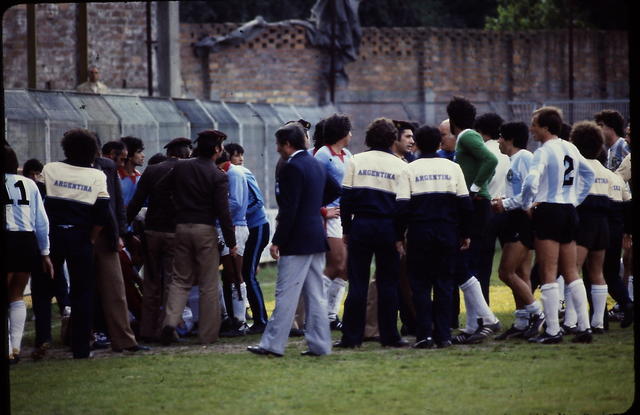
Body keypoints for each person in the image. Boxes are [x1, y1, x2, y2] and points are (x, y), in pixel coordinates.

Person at [248, 122, 340, 357]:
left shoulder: (291, 167)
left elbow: (289, 210)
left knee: (286, 293)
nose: (277, 148)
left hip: (297, 239)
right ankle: (320, 344)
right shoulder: (315, 164)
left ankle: (272, 344)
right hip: (316, 235)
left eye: (279, 144)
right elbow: (335, 189)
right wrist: (314, 204)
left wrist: (277, 240)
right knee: (316, 295)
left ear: (287, 144)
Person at [521, 107, 595, 344]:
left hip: (549, 210)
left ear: (545, 127)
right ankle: (584, 327)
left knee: (548, 271)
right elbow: (589, 175)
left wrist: (527, 204)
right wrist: (575, 199)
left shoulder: (543, 151)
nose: (531, 128)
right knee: (572, 271)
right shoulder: (570, 147)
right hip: (569, 211)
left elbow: (531, 181)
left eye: (534, 124)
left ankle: (553, 330)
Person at [335, 117, 410, 349]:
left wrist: (347, 229)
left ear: (368, 137)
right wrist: (399, 236)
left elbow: (346, 200)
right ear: (392, 139)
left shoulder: (356, 161)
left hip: (361, 225)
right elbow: (403, 206)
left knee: (357, 283)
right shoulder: (401, 166)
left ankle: (351, 337)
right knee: (388, 283)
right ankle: (390, 336)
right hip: (388, 228)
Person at [160, 130, 236, 345]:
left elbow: (162, 189)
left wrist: (176, 209)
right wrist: (231, 242)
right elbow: (223, 213)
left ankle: (170, 323)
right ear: (216, 149)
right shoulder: (218, 175)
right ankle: (208, 334)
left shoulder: (181, 167)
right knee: (208, 283)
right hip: (205, 230)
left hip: (181, 227)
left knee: (180, 279)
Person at [42, 129, 111, 358]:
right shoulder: (97, 175)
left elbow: (41, 204)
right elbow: (102, 214)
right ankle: (81, 348)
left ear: (65, 148)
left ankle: (43, 340)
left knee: (44, 287)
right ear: (93, 151)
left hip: (52, 235)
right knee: (83, 292)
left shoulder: (50, 169)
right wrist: (91, 238)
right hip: (80, 236)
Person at [402, 125, 472, 349]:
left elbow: (402, 208)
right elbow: (465, 205)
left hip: (419, 233)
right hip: (447, 232)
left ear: (417, 144)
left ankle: (424, 335)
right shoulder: (453, 168)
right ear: (439, 143)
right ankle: (444, 335)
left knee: (420, 286)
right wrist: (465, 233)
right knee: (444, 284)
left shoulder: (409, 170)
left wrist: (398, 237)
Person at [446, 97, 501, 344]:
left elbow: (491, 160)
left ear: (452, 120)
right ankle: (471, 326)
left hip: (477, 206)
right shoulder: (467, 137)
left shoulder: (467, 136)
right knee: (467, 264)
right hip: (474, 205)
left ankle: (487, 319)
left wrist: (475, 188)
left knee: (465, 264)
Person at [127, 137, 192, 342]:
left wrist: (122, 228)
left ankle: (147, 330)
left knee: (151, 281)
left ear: (169, 152)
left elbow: (136, 202)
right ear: (185, 153)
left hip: (152, 232)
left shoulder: (152, 170)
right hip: (176, 232)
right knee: (172, 282)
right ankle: (168, 328)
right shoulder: (189, 170)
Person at [568, 121, 628, 334]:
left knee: (573, 271)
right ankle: (598, 323)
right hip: (605, 224)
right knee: (597, 272)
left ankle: (572, 321)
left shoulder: (577, 167)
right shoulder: (609, 173)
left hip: (584, 221)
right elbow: (623, 201)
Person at [92, 139, 149, 353]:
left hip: (118, 235)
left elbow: (119, 208)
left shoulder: (123, 174)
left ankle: (116, 332)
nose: (121, 163)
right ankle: (110, 333)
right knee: (112, 287)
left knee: (120, 284)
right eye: (121, 158)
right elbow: (113, 206)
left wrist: (124, 233)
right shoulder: (109, 171)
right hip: (109, 235)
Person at [491, 122, 544, 340]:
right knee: (522, 274)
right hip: (514, 218)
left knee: (506, 272)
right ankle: (522, 322)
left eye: (501, 137)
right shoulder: (513, 159)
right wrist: (504, 199)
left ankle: (537, 313)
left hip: (521, 221)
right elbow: (519, 191)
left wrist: (506, 203)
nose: (499, 141)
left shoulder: (524, 157)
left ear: (511, 139)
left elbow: (530, 192)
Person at [3, 146, 54, 364]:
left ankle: (8, 350)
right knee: (16, 295)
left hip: (6, 237)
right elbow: (41, 221)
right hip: (26, 241)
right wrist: (45, 252)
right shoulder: (29, 184)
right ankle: (15, 347)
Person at [225, 142, 271, 334]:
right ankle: (244, 315)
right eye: (236, 155)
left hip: (257, 226)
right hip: (246, 227)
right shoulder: (229, 174)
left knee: (247, 273)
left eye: (241, 155)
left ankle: (261, 320)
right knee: (241, 272)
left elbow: (258, 200)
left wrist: (240, 215)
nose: (241, 159)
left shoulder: (242, 173)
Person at [313, 114, 353, 330]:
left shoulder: (348, 154)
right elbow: (312, 187)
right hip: (331, 216)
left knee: (345, 268)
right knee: (336, 263)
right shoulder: (322, 154)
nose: (351, 134)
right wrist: (322, 211)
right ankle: (315, 312)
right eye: (349, 130)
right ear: (342, 133)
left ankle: (330, 315)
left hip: (347, 215)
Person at [474, 113, 510, 304]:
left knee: (483, 266)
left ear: (481, 132)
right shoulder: (509, 152)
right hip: (508, 208)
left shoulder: (482, 152)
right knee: (514, 267)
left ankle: (483, 309)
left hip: (486, 210)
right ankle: (525, 311)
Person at [215, 150, 250, 336]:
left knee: (234, 273)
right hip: (227, 226)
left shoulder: (233, 174)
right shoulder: (229, 172)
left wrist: (213, 210)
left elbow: (235, 203)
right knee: (228, 275)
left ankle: (240, 321)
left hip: (235, 226)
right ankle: (229, 318)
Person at [118, 136, 145, 207]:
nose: (143, 155)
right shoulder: (116, 176)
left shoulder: (139, 176)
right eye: (139, 152)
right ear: (129, 154)